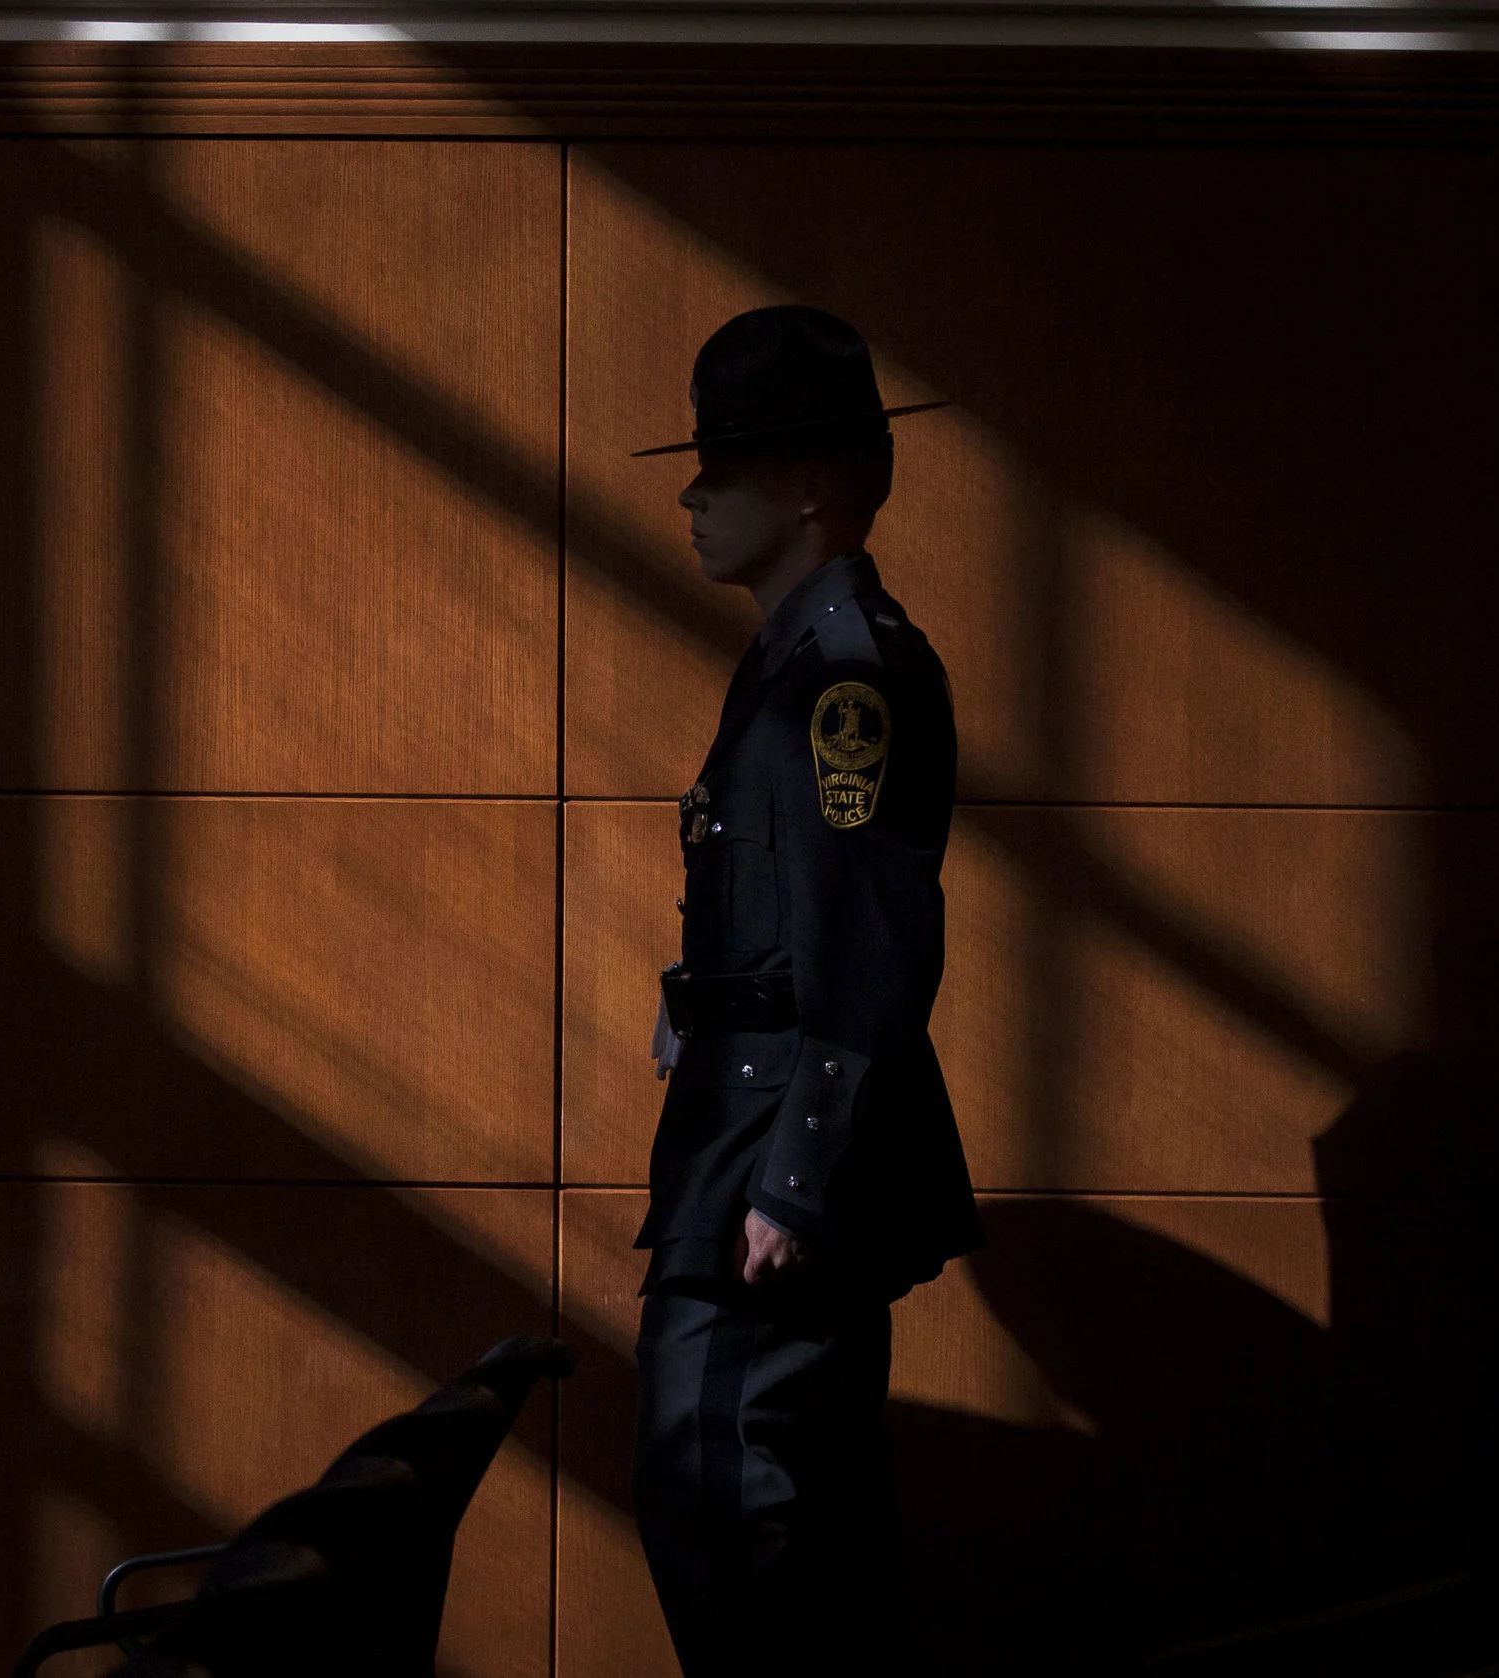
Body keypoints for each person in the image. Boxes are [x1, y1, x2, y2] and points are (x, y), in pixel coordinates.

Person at [628, 306, 982, 1675]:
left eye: (727, 464)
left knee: (725, 1490)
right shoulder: (793, 657)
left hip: (771, 1158)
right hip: (745, 1130)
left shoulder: (847, 677)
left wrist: (798, 1179)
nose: (694, 490)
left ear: (814, 486)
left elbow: (877, 939)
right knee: (787, 1523)